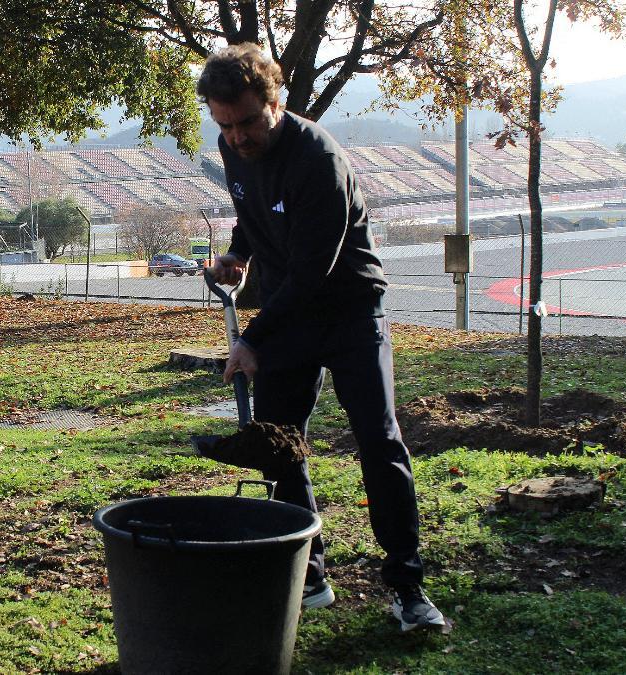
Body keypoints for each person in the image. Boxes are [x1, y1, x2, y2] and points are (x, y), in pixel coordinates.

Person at [197, 43, 445, 632]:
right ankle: (307, 575)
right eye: (224, 125)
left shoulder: (317, 157)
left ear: (275, 100)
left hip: (349, 309)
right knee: (279, 444)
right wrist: (238, 252)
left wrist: (251, 339)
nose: (236, 138)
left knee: (378, 440)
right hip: (290, 311)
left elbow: (315, 271)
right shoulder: (234, 150)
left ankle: (409, 588)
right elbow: (251, 209)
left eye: (248, 122)